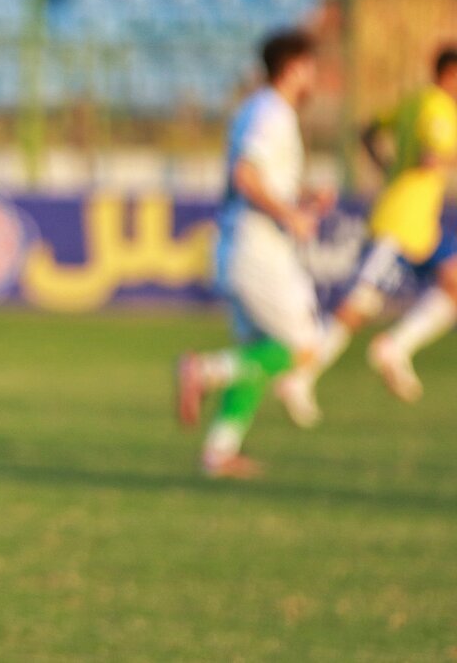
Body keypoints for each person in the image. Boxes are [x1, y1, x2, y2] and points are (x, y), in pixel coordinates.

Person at [176, 30, 332, 479]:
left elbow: (258, 174)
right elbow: (246, 175)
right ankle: (204, 370)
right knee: (304, 347)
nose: (314, 76)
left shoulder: (255, 109)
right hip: (257, 248)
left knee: (259, 355)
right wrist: (290, 214)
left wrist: (301, 198)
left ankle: (218, 453)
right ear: (294, 67)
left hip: (240, 245)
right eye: (311, 67)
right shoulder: (272, 112)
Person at [274, 45, 457, 425]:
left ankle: (394, 347)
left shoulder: (413, 101)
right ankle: (300, 375)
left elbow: (369, 131)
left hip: (420, 223)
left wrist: (387, 167)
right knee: (356, 307)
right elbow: (430, 156)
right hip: (400, 223)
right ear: (450, 75)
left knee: (453, 284)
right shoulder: (439, 109)